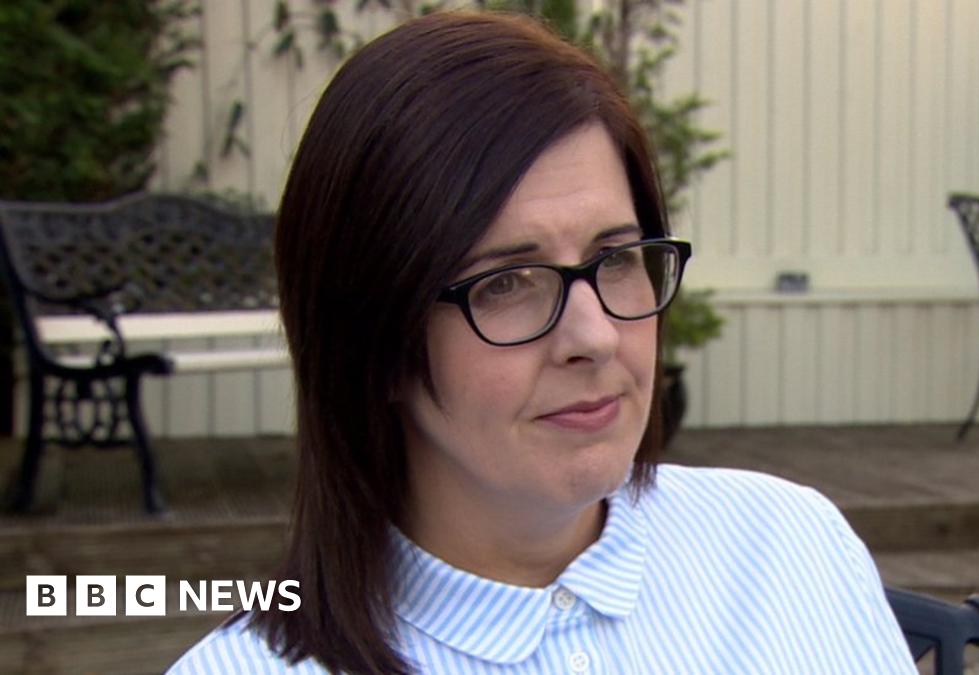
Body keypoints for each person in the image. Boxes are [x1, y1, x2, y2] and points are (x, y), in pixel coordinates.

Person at [170, 10, 916, 675]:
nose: (594, 336)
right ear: (374, 342)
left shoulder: (790, 545)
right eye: (505, 282)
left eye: (616, 258)